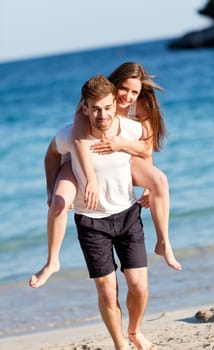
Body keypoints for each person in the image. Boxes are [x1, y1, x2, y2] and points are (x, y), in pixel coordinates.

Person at [29, 62, 181, 289]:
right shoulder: (90, 105)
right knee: (59, 201)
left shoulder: (140, 106)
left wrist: (144, 179)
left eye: (134, 92)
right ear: (113, 84)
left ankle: (163, 243)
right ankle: (52, 262)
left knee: (159, 180)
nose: (128, 97)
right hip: (79, 160)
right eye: (124, 89)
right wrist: (81, 180)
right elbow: (79, 142)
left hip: (119, 157)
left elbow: (146, 148)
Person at [41, 74, 157, 350]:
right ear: (85, 108)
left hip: (128, 214)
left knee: (138, 286)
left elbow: (147, 147)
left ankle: (135, 330)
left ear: (114, 105)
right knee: (107, 290)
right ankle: (120, 344)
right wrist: (52, 189)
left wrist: (150, 184)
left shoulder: (128, 128)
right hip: (91, 222)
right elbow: (51, 155)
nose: (102, 114)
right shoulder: (70, 134)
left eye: (107, 107)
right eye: (95, 109)